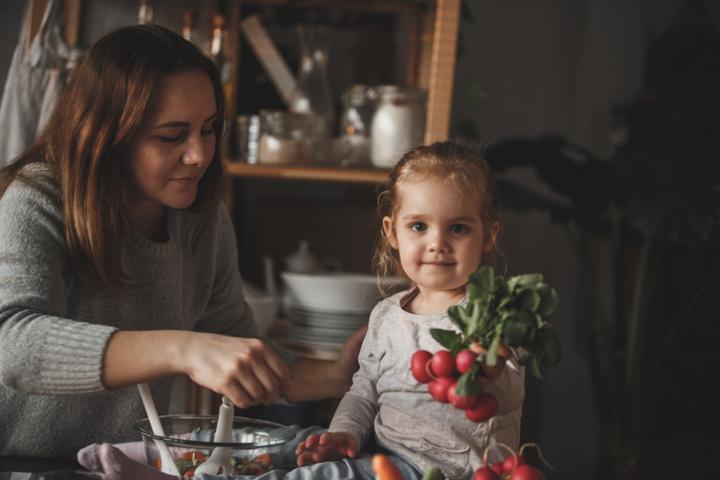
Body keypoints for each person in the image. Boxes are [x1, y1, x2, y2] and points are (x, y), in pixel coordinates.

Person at [0, 24, 364, 460]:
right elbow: (12, 344)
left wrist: (338, 374)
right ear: (107, 137)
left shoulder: (202, 220)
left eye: (208, 129)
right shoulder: (37, 199)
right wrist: (183, 348)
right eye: (171, 137)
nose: (198, 155)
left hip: (121, 465)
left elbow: (232, 343)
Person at [294, 141, 525, 479]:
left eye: (458, 228)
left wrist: (490, 371)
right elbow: (363, 391)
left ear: (488, 236)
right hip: (381, 457)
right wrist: (344, 434)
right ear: (392, 232)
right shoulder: (386, 315)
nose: (437, 243)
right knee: (292, 444)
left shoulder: (492, 312)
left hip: (443, 470)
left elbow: (508, 395)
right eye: (419, 226)